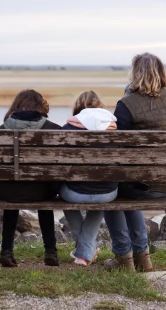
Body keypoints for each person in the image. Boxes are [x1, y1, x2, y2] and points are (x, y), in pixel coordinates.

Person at [104, 52, 166, 272]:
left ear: (135, 73)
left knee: (111, 191)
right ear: (161, 72)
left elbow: (116, 149)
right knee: (132, 186)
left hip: (139, 186)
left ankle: (124, 258)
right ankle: (143, 258)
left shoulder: (126, 104)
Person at [0, 89, 61, 267]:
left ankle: (6, 251)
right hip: (43, 192)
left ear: (15, 106)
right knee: (44, 192)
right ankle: (51, 251)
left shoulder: (1, 131)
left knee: (12, 193)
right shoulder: (54, 129)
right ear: (41, 107)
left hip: (7, 191)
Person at [61, 90, 118, 266]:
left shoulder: (68, 128)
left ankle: (85, 252)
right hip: (107, 193)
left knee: (61, 194)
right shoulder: (116, 129)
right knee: (100, 195)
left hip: (74, 193)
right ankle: (85, 253)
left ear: (78, 108)